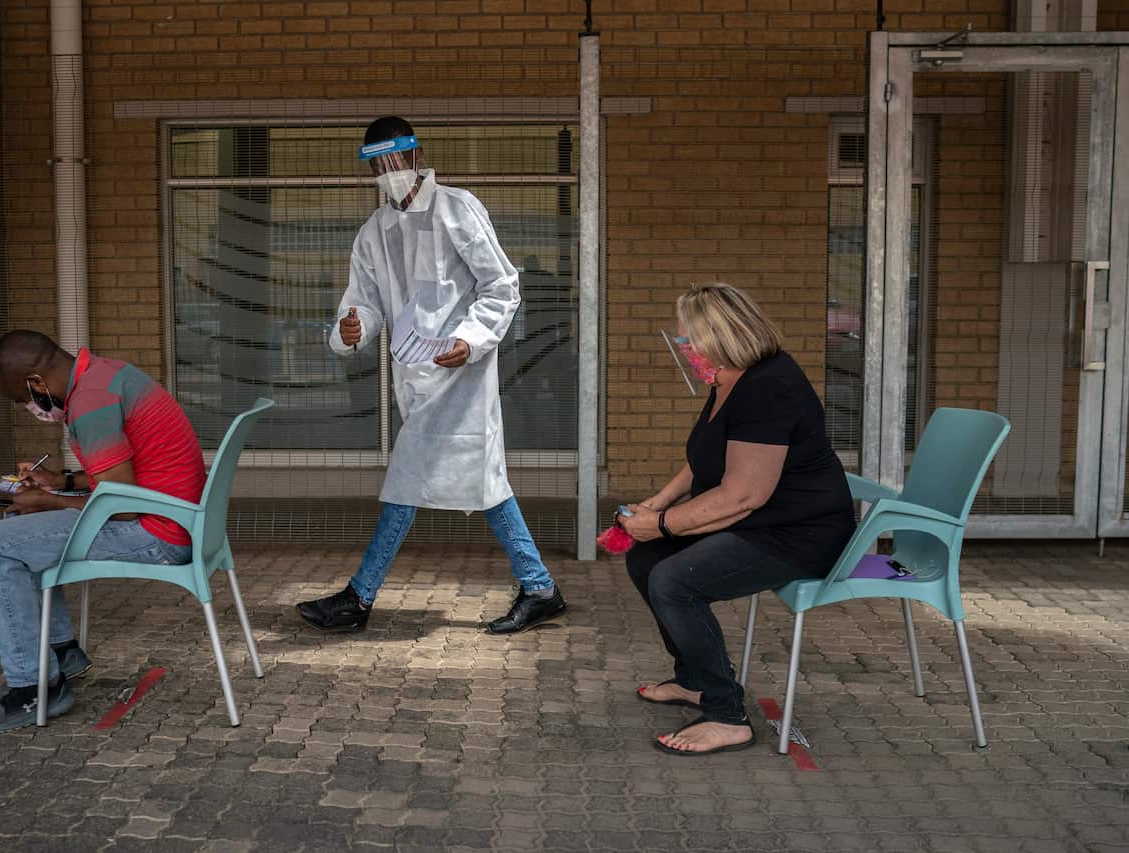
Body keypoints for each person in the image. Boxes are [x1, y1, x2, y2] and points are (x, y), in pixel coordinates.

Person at [296, 116, 565, 635]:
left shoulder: (457, 208)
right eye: (378, 164)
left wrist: (468, 340)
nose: (388, 171)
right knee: (482, 483)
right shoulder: (375, 231)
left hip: (462, 374)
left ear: (417, 157)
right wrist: (353, 328)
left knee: (410, 476)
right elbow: (364, 303)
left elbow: (502, 286)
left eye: (395, 160)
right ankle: (540, 587)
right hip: (414, 376)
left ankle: (359, 597)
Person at [620, 283, 856, 756]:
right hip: (765, 520)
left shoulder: (769, 387)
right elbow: (705, 459)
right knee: (646, 559)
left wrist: (664, 523)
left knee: (674, 580)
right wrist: (657, 505)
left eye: (689, 338)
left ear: (718, 338)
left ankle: (728, 715)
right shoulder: (730, 379)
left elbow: (743, 495)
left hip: (800, 534)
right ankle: (695, 680)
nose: (684, 346)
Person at [0, 330, 207, 732]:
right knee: (18, 530)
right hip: (174, 518)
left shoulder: (89, 403)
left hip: (157, 534)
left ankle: (34, 690)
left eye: (23, 399)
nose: (30, 407)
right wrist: (59, 480)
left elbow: (124, 508)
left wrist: (47, 501)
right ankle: (61, 653)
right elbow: (122, 477)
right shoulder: (105, 375)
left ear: (36, 383)